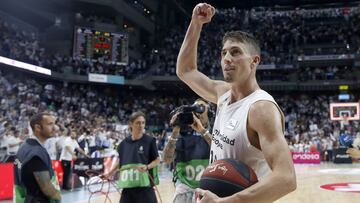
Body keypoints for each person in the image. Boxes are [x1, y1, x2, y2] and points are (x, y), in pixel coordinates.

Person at [176, 3, 296, 202]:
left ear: (254, 61)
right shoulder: (222, 93)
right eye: (224, 53)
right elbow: (185, 71)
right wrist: (196, 23)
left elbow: (286, 178)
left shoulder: (261, 108)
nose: (227, 59)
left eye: (235, 52)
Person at [103, 111, 160, 203]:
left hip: (145, 188)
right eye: (138, 123)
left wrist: (147, 167)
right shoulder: (122, 145)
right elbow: (121, 163)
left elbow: (157, 160)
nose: (141, 125)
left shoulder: (150, 141)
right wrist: (109, 173)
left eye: (143, 123)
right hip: (128, 189)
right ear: (131, 124)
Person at [163, 99, 212, 203]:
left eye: (201, 109)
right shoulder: (180, 135)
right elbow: (166, 159)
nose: (197, 113)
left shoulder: (216, 133)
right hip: (184, 194)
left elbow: (220, 149)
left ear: (210, 114)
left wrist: (202, 131)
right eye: (195, 109)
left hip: (208, 193)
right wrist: (175, 131)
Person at [13, 112, 61, 203]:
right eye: (50, 124)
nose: (55, 128)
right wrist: (58, 197)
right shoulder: (36, 153)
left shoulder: (23, 147)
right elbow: (47, 188)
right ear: (38, 128)